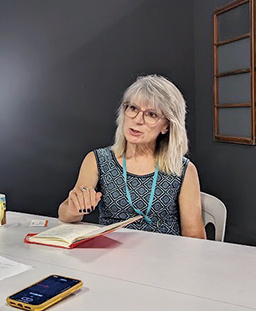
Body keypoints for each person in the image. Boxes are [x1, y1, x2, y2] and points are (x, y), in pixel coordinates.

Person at [58, 74, 205, 238]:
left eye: (151, 114)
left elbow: (195, 237)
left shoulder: (183, 169)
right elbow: (64, 213)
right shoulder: (97, 160)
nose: (138, 120)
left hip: (164, 252)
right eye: (133, 108)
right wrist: (74, 208)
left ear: (167, 126)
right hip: (111, 250)